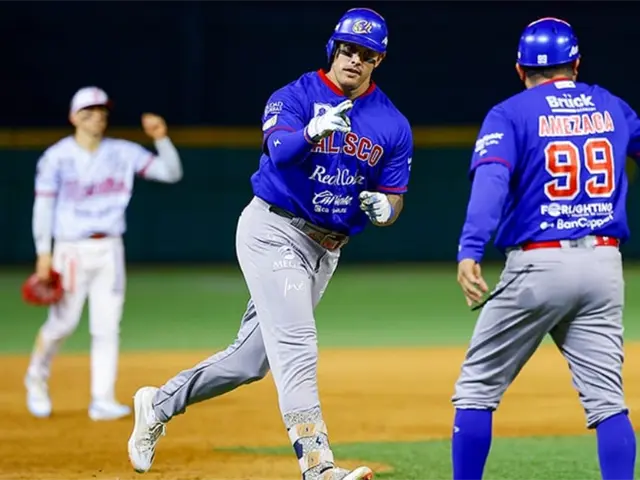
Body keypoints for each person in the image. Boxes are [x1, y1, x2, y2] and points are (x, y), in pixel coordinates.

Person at [127, 7, 412, 480]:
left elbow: (395, 194)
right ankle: (317, 466)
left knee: (249, 361)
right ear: (334, 48)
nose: (355, 60)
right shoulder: (294, 96)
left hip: (326, 250)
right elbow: (279, 152)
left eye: (367, 54)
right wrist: (310, 132)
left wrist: (387, 208)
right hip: (273, 229)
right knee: (297, 343)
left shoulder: (392, 123)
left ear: (378, 61)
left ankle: (157, 404)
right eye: (348, 49)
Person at [452, 17, 637, 480]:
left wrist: (470, 248)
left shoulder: (510, 113)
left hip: (539, 263)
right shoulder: (611, 106)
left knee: (475, 391)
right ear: (576, 64)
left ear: (520, 69)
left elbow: (492, 179)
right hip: (604, 264)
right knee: (608, 403)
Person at [25, 86, 184, 421]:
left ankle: (103, 399)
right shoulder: (56, 157)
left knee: (107, 326)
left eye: (101, 112)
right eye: (89, 112)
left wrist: (161, 138)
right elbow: (43, 207)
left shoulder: (122, 152)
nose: (97, 117)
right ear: (73, 117)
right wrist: (43, 253)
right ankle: (35, 379)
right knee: (62, 323)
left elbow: (170, 173)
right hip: (70, 249)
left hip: (110, 248)